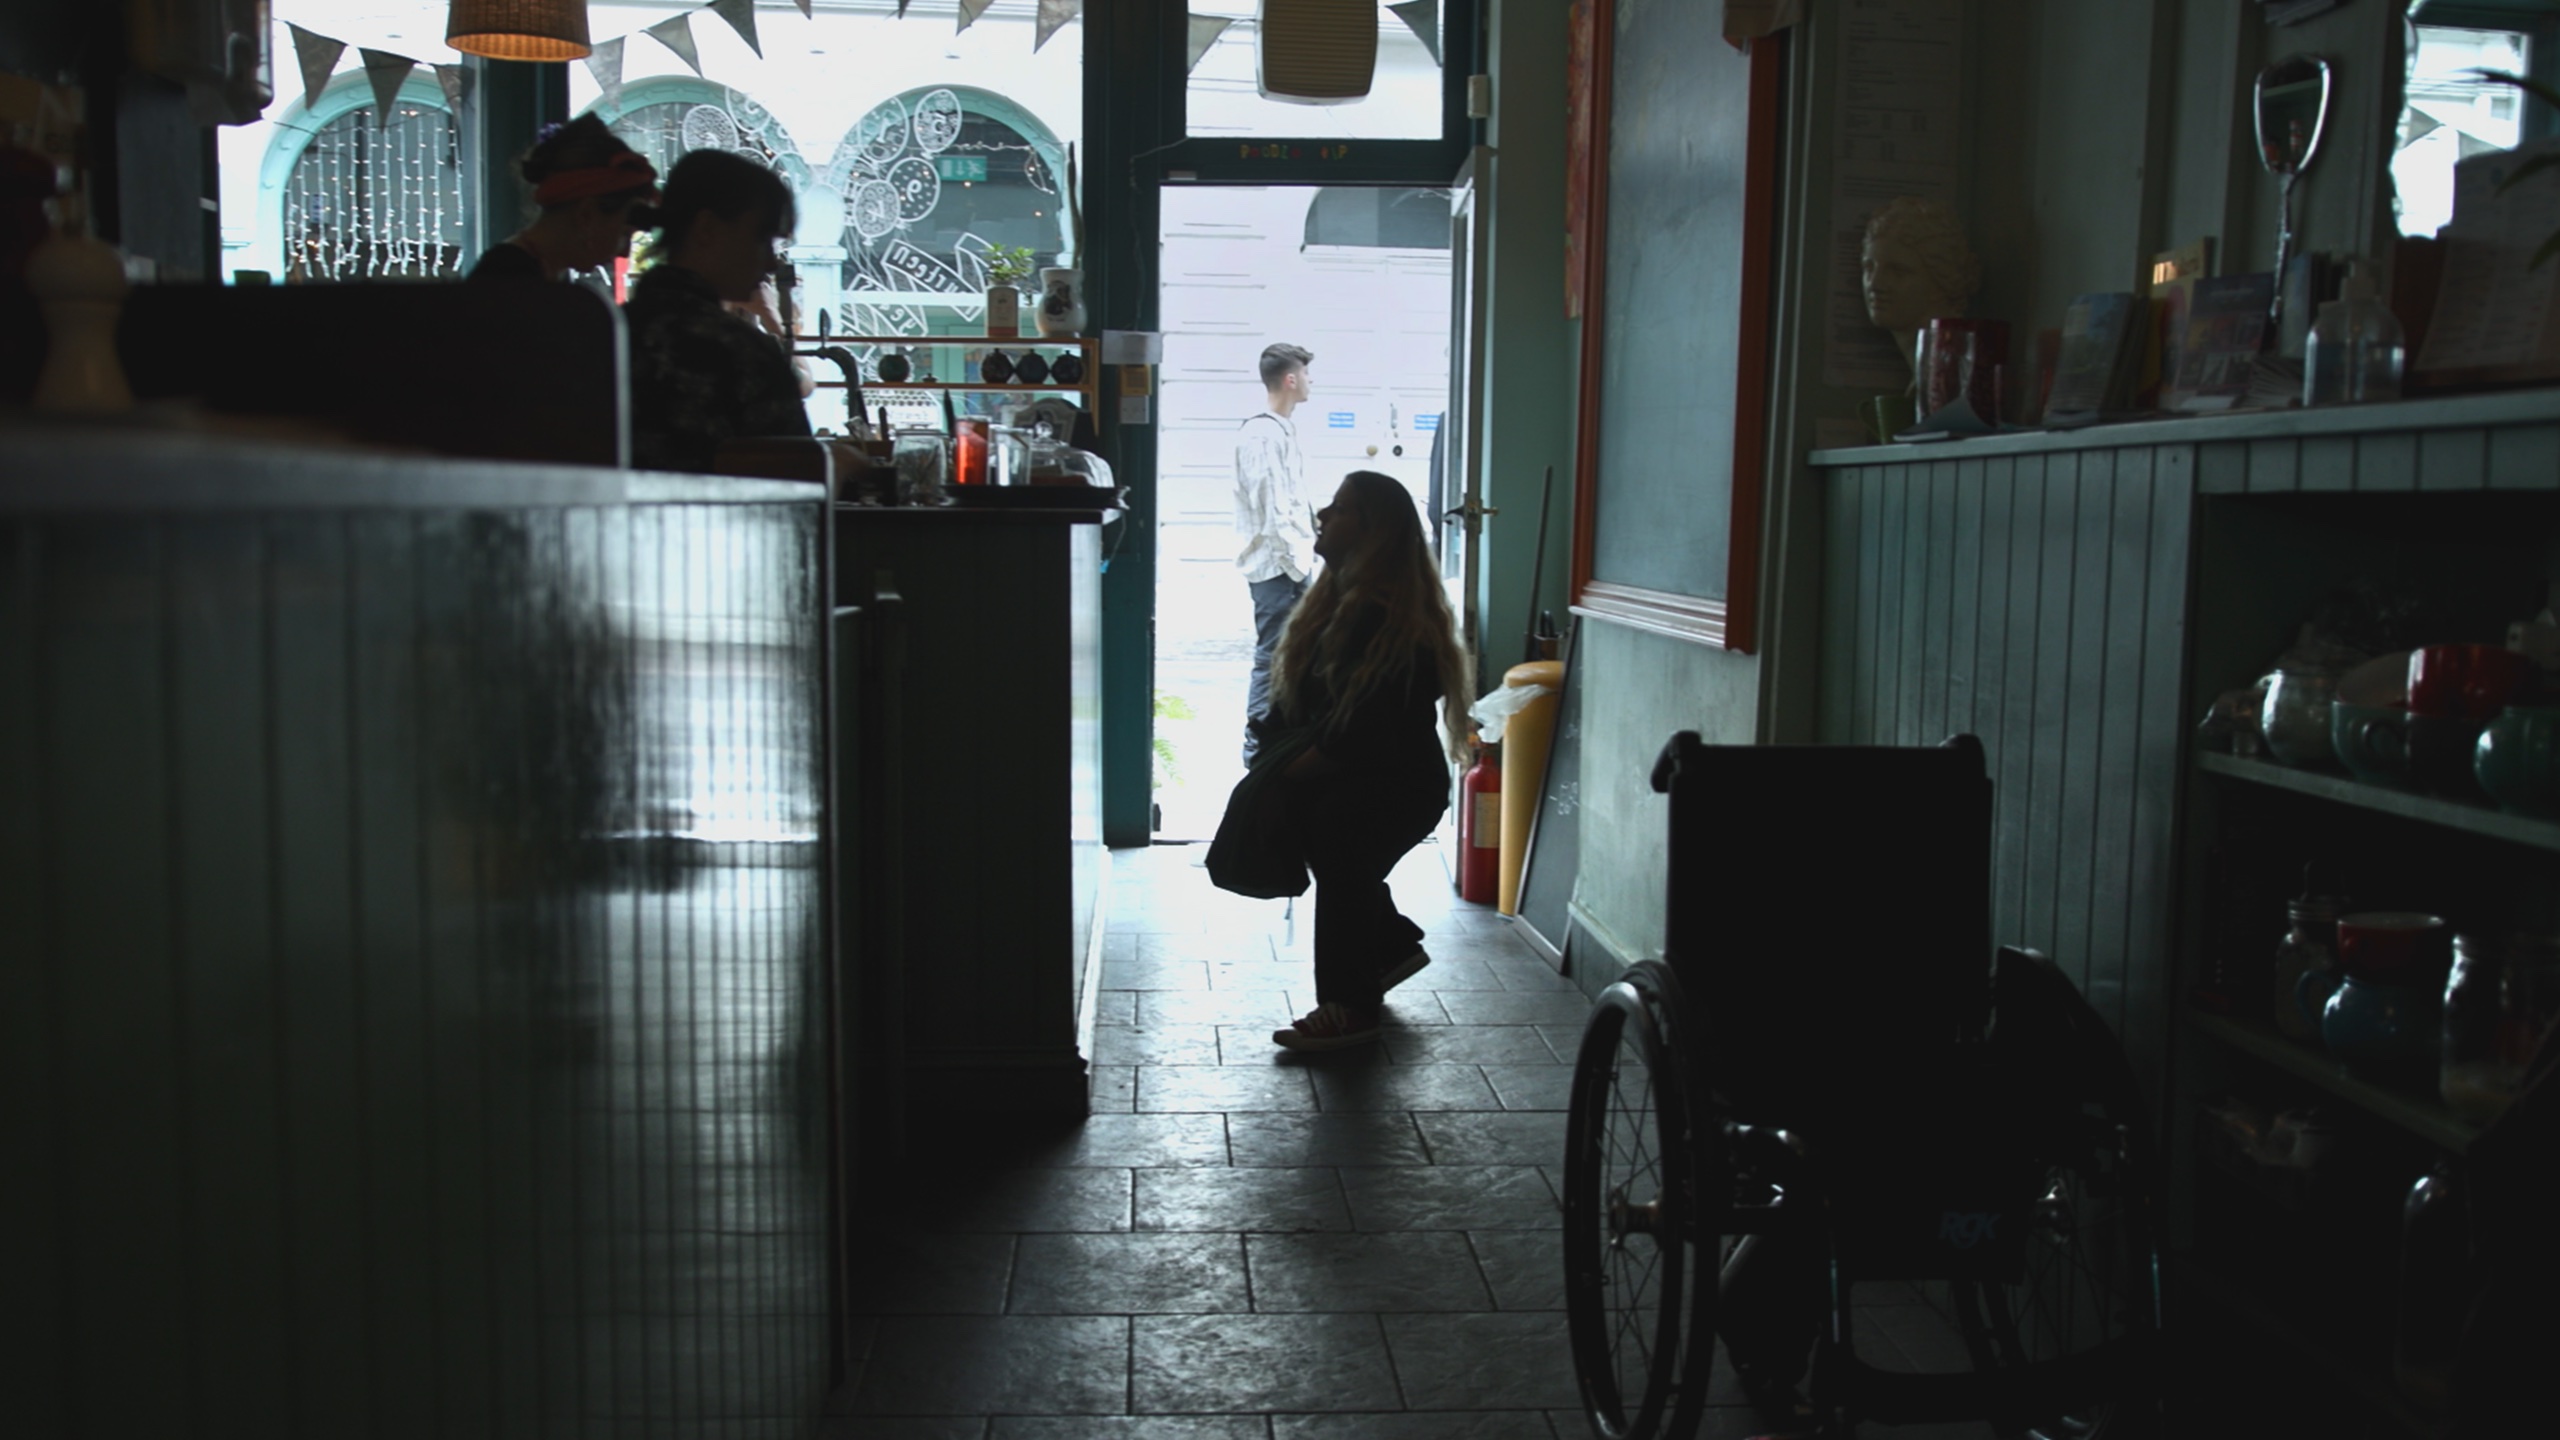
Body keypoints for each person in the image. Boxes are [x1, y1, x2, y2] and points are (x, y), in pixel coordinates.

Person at [1261, 470, 1475, 1052]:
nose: (1322, 517)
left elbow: (1366, 730)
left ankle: (1349, 1007)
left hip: (1398, 784)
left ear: (1373, 531)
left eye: (1340, 509)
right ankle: (1389, 948)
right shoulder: (1333, 603)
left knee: (1338, 840)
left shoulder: (1387, 616)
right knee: (1330, 841)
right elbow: (1304, 706)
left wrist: (1292, 769)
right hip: (1364, 772)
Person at [624, 149, 811, 473]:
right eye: (762, 239)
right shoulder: (744, 354)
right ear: (707, 228)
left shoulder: (605, 334)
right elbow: (800, 485)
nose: (770, 262)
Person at [1234, 342, 1318, 766]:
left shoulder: (1280, 430)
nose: (1309, 381)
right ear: (1290, 379)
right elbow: (1272, 507)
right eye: (1305, 373)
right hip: (1277, 568)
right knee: (1272, 657)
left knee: (1292, 656)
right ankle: (1259, 750)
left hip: (1289, 564)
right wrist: (1295, 565)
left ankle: (1280, 742)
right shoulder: (1262, 434)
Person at [468, 116, 659, 283]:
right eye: (624, 235)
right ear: (587, 214)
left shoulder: (520, 269)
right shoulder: (510, 279)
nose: (624, 253)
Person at [1860, 195, 1981, 391]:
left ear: (1940, 278)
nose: (1875, 284)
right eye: (1869, 267)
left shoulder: (1950, 379)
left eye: (1898, 271)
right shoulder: (1927, 373)